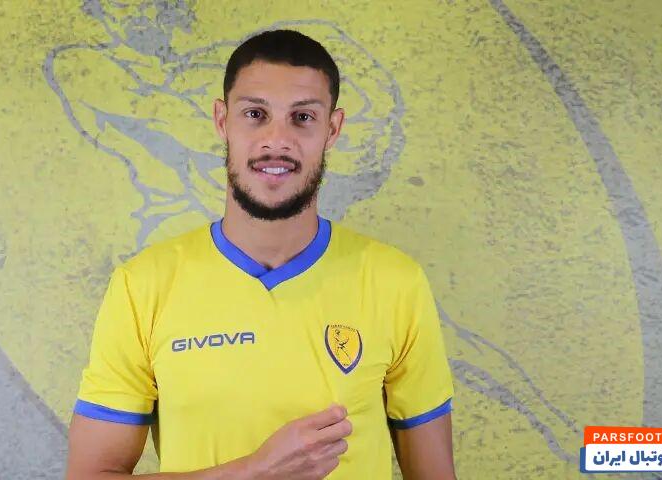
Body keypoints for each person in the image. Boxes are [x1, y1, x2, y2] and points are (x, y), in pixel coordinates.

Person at [66, 29, 457, 479]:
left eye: (303, 117)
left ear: (332, 129)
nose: (277, 139)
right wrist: (254, 472)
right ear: (222, 120)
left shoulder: (395, 281)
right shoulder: (142, 286)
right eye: (255, 114)